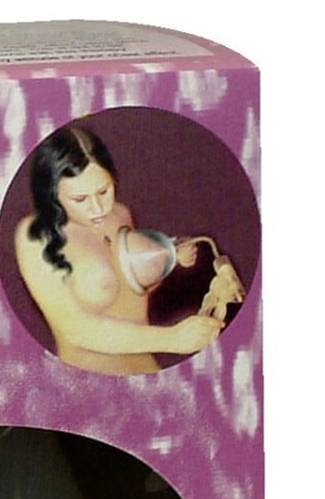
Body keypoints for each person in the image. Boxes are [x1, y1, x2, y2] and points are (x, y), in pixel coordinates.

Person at [15, 126, 223, 375]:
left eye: (104, 191)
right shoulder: (36, 236)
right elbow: (75, 328)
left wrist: (169, 255)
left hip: (146, 371)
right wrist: (172, 339)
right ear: (53, 196)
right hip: (89, 383)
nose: (98, 208)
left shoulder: (121, 214)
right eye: (80, 199)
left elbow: (130, 290)